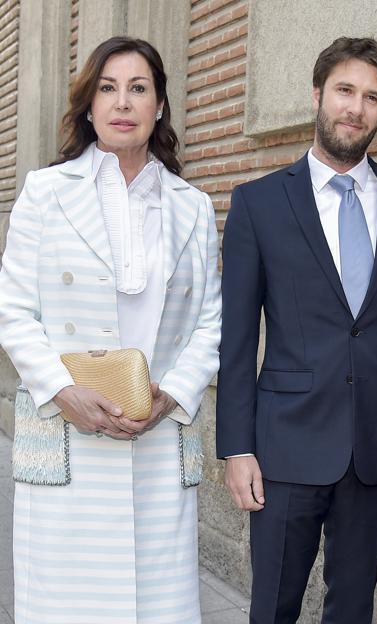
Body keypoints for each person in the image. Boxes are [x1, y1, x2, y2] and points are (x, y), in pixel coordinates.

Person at [216, 37, 377, 623]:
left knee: (353, 610)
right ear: (318, 96)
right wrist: (236, 447)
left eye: (372, 97)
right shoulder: (258, 203)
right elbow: (238, 339)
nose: (356, 108)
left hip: (376, 447)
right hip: (284, 447)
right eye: (346, 91)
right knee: (271, 607)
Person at [0, 37, 221, 623]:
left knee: (156, 605)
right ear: (89, 105)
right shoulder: (46, 193)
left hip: (156, 431)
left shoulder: (191, 206)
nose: (123, 102)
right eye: (108, 87)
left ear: (160, 106)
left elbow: (209, 322)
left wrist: (171, 393)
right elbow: (13, 308)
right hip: (69, 433)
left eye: (138, 88)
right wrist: (62, 391)